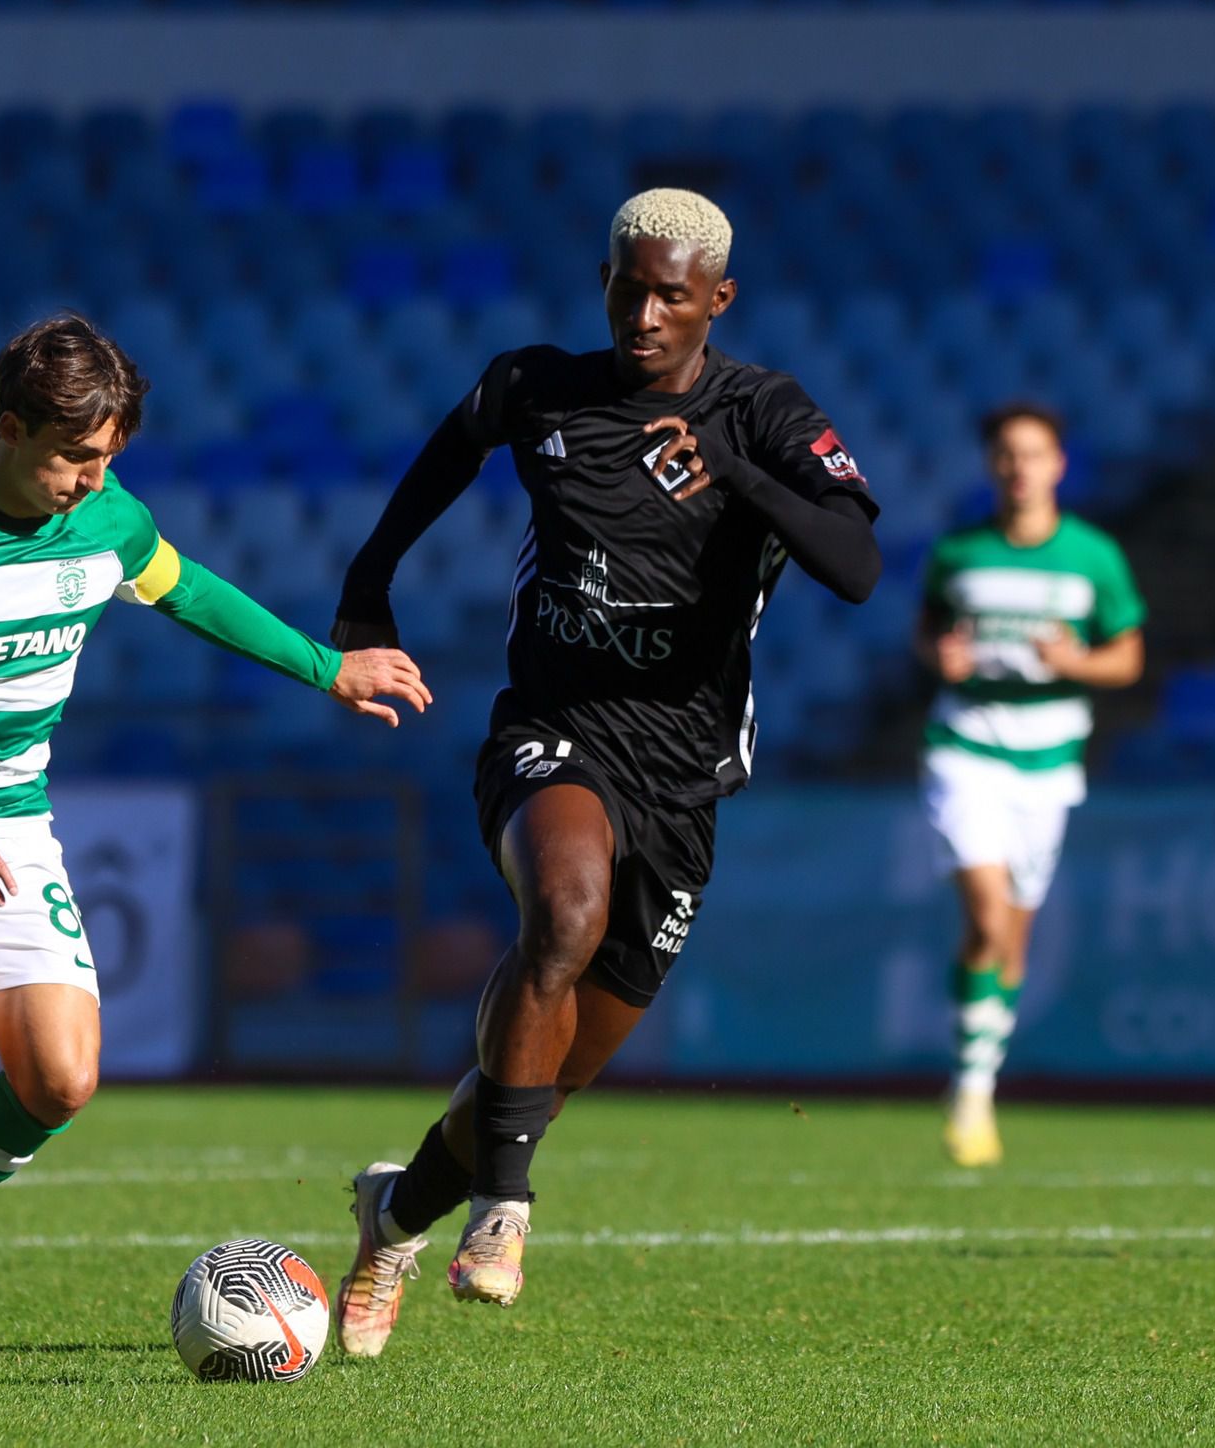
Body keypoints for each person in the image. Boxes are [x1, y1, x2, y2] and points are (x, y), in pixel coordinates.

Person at [0, 313, 429, 1383]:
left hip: (10, 822)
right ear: (6, 427)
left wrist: (329, 668)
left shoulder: (107, 519)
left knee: (60, 1078)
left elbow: (190, 593)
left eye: (108, 458)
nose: (91, 480)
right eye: (72, 457)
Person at [326, 188, 880, 1355]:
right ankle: (502, 1213)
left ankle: (395, 1212)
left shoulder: (764, 412)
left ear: (715, 302)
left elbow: (857, 565)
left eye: (669, 295)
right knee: (561, 916)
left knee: (543, 1079)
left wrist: (741, 476)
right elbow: (441, 459)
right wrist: (366, 587)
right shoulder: (536, 389)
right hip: (552, 727)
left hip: (684, 776)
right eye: (625, 286)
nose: (642, 312)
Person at [915, 403, 1144, 1167]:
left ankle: (978, 1080)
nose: (1020, 468)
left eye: (1034, 454)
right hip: (967, 744)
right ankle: (969, 1096)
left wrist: (1076, 664)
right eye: (1007, 455)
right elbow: (931, 632)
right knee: (984, 914)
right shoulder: (959, 553)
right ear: (992, 467)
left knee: (1012, 938)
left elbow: (1127, 657)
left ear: (1059, 465)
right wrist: (940, 659)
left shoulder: (1093, 556)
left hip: (1048, 763)